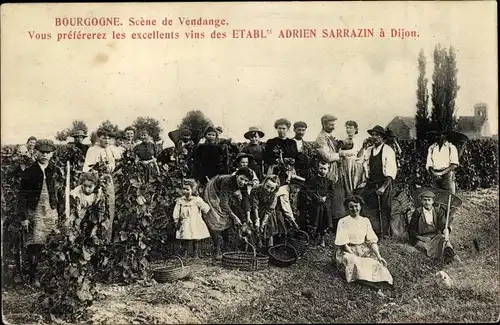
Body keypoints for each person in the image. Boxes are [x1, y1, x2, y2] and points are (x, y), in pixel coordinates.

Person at [17, 139, 61, 287]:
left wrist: (59, 211)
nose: (44, 155)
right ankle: (33, 276)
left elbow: (59, 192)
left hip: (50, 210)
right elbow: (22, 195)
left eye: (48, 153)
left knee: (53, 241)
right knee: (34, 243)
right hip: (34, 211)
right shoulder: (30, 171)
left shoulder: (54, 170)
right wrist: (24, 217)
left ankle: (52, 276)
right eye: (42, 152)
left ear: (52, 154)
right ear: (36, 152)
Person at [334, 195, 393, 290]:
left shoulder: (365, 221)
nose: (354, 209)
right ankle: (370, 284)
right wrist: (354, 255)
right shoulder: (343, 221)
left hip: (363, 249)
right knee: (355, 262)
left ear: (360, 206)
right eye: (351, 207)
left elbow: (372, 241)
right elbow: (343, 243)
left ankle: (380, 283)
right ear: (347, 208)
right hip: (347, 250)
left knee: (376, 263)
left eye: (356, 206)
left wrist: (378, 256)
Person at [203, 167, 254, 260]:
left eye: (246, 181)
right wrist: (234, 217)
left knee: (226, 216)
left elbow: (246, 200)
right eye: (241, 179)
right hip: (213, 190)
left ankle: (226, 245)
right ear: (237, 175)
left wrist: (248, 216)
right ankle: (217, 248)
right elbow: (223, 204)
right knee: (216, 217)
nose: (243, 182)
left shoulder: (244, 185)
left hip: (223, 193)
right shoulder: (228, 181)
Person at [360, 125, 397, 239]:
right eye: (373, 135)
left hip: (384, 183)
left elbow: (391, 172)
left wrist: (383, 187)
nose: (374, 137)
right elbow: (360, 160)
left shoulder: (388, 150)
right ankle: (372, 232)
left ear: (382, 138)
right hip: (371, 183)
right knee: (368, 206)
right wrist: (363, 146)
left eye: (377, 135)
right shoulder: (369, 150)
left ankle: (384, 234)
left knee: (385, 208)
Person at [83, 126, 118, 243]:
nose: (106, 140)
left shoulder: (111, 150)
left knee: (110, 209)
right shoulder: (92, 150)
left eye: (109, 138)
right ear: (99, 138)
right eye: (104, 138)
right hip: (96, 183)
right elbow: (87, 170)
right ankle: (96, 241)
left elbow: (113, 166)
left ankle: (107, 240)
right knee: (98, 210)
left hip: (108, 182)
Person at [408, 190, 460, 263]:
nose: (427, 202)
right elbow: (411, 229)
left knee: (443, 239)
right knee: (423, 247)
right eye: (424, 200)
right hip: (421, 238)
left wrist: (446, 230)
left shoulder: (438, 211)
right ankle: (441, 258)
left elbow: (443, 225)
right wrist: (421, 237)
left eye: (429, 200)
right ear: (421, 201)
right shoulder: (418, 212)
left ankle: (450, 256)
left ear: (433, 201)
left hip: (434, 237)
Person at [315, 114, 346, 224]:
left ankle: (335, 224)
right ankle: (328, 226)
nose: (333, 127)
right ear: (324, 124)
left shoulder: (329, 136)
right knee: (330, 197)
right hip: (327, 170)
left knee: (337, 197)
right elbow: (327, 156)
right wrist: (341, 154)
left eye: (334, 124)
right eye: (331, 125)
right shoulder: (321, 138)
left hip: (334, 170)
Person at [173, 179, 211, 258]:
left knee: (197, 237)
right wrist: (176, 220)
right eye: (183, 189)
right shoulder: (180, 201)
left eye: (187, 189)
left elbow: (206, 208)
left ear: (193, 190)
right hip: (185, 222)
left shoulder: (197, 200)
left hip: (195, 221)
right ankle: (186, 253)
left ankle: (196, 254)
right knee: (186, 237)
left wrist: (203, 207)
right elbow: (176, 211)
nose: (185, 191)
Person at [305, 160, 336, 247]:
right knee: (314, 219)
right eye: (321, 168)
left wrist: (325, 197)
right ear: (317, 168)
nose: (322, 170)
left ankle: (322, 238)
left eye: (324, 169)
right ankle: (313, 237)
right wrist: (316, 197)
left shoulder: (329, 181)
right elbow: (310, 190)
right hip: (315, 204)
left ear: (328, 170)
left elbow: (331, 192)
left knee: (324, 220)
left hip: (325, 205)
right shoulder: (313, 180)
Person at [250, 175, 281, 248]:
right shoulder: (256, 189)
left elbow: (269, 210)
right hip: (255, 211)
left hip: (267, 213)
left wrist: (263, 223)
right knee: (255, 228)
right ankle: (255, 247)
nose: (268, 190)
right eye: (267, 186)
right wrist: (257, 220)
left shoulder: (274, 195)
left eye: (272, 188)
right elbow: (255, 205)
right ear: (264, 183)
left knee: (268, 228)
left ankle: (269, 248)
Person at [426, 130, 459, 195]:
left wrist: (441, 174)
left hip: (447, 175)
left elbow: (454, 165)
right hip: (435, 175)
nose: (438, 137)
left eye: (440, 134)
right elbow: (429, 163)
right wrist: (434, 173)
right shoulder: (432, 147)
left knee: (449, 196)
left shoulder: (451, 147)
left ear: (445, 135)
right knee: (436, 196)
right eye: (436, 135)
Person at [339, 120, 366, 196]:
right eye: (347, 128)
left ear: (356, 129)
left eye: (350, 128)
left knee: (356, 187)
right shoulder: (344, 141)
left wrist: (345, 154)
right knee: (347, 189)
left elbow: (360, 154)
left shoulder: (359, 140)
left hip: (356, 166)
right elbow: (339, 153)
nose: (348, 130)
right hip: (346, 166)